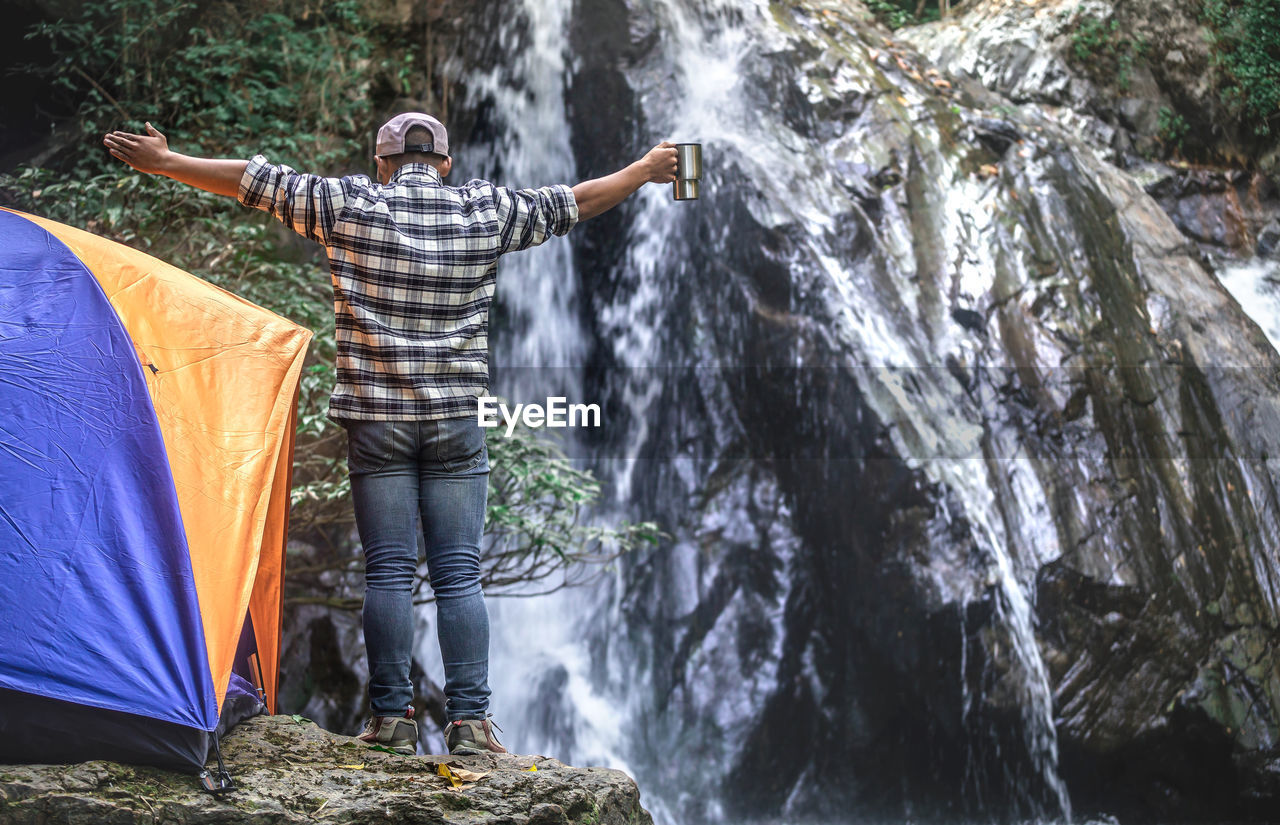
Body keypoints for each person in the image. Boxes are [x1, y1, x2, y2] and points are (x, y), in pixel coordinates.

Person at [103, 113, 678, 756]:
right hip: (457, 423)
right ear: (446, 164)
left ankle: (392, 720)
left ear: (381, 163)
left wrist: (168, 161)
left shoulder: (347, 203)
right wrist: (647, 170)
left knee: (388, 573)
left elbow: (254, 181)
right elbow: (573, 203)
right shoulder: (484, 210)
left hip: (378, 423)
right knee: (459, 573)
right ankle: (471, 725)